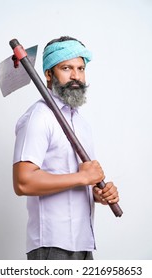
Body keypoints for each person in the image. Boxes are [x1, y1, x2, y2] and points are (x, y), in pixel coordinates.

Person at [13, 36, 119, 260]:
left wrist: (96, 192)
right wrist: (82, 178)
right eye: (66, 68)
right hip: (51, 247)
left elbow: (76, 177)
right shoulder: (38, 117)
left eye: (80, 68)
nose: (76, 76)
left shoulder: (81, 124)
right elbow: (23, 182)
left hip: (84, 244)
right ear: (49, 75)